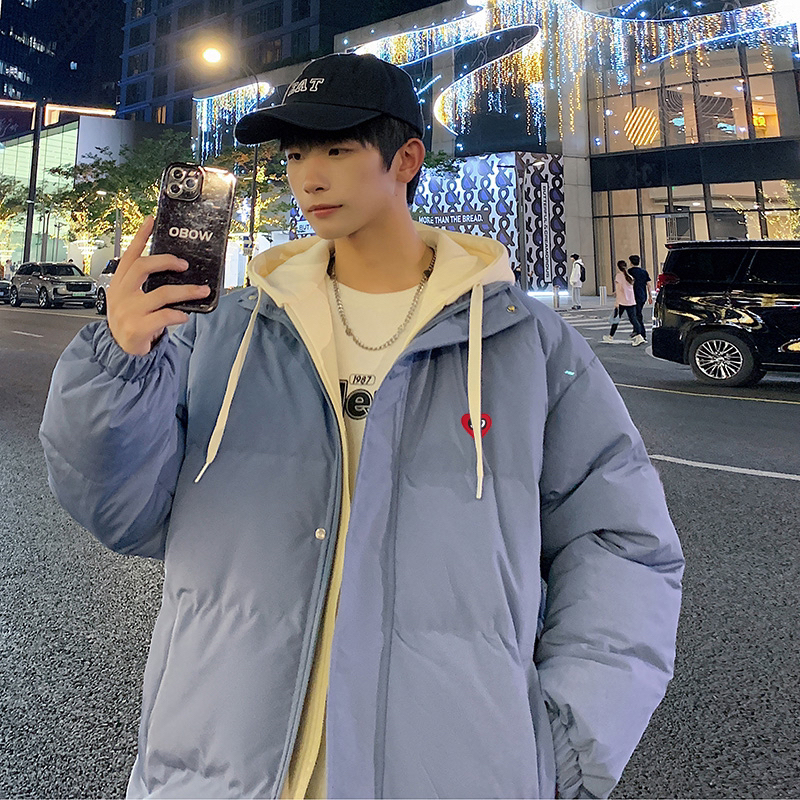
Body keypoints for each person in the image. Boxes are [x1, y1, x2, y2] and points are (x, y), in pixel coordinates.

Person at [40, 53, 683, 800]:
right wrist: (121, 361)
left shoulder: (525, 343)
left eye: (338, 150)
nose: (309, 178)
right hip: (218, 770)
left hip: (448, 772)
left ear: (405, 159)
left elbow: (621, 544)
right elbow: (120, 513)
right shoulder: (224, 332)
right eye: (295, 156)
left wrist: (566, 746)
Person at [603, 259, 646, 346]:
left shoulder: (619, 276)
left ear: (618, 267)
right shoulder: (629, 276)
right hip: (631, 301)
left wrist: (617, 302)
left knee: (616, 319)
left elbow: (619, 290)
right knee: (633, 319)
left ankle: (610, 336)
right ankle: (639, 336)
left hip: (622, 302)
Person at [628, 254, 653, 342]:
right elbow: (648, 284)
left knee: (635, 315)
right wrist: (650, 296)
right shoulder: (644, 272)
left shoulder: (629, 272)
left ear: (631, 262)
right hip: (642, 295)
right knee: (637, 313)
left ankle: (641, 333)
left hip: (633, 296)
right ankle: (637, 331)